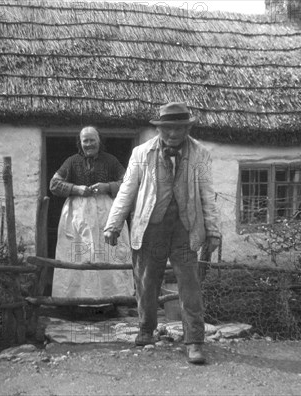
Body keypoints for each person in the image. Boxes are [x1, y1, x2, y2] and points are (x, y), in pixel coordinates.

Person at [104, 102, 221, 364]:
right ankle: (146, 330)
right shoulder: (141, 153)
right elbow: (127, 190)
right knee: (146, 282)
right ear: (160, 128)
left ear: (187, 128)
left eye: (179, 128)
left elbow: (207, 195)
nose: (173, 133)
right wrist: (113, 223)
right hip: (150, 227)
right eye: (168, 128)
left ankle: (194, 342)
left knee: (189, 284)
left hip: (186, 228)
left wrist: (213, 231)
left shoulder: (200, 154)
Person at [50, 126, 134, 306]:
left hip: (106, 214)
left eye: (92, 140)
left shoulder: (111, 161)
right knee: (79, 252)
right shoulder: (71, 162)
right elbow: (54, 184)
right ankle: (73, 302)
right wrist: (76, 189)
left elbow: (128, 183)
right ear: (80, 143)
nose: (89, 144)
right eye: (85, 140)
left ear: (99, 141)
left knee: (108, 253)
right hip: (77, 216)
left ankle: (113, 300)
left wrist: (108, 187)